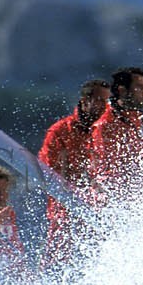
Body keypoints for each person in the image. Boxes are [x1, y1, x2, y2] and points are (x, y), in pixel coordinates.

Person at [38, 78, 109, 262]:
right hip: (66, 210)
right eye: (99, 101)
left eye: (107, 101)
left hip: (102, 211)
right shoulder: (60, 131)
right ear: (85, 101)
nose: (104, 106)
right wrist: (83, 180)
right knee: (56, 262)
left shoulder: (109, 128)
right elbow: (48, 174)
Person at [91, 66, 143, 203]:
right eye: (139, 87)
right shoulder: (106, 125)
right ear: (122, 91)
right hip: (117, 201)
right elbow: (106, 172)